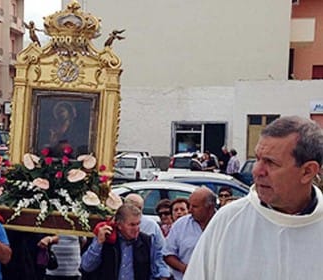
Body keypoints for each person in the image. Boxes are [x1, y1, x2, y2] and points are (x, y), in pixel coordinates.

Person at [185, 116, 323, 279]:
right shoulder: (228, 220)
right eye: (258, 159)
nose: (257, 171)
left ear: (307, 171)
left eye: (271, 162)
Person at [80, 203, 169, 280]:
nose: (136, 228)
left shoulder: (146, 241)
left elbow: (156, 269)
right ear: (119, 225)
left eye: (138, 224)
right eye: (132, 225)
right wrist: (98, 243)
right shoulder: (106, 240)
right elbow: (87, 266)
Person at [162, 187, 216, 280]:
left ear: (209, 208)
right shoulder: (180, 225)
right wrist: (185, 269)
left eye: (195, 206)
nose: (190, 210)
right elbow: (167, 254)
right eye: (189, 206)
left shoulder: (223, 223)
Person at [123, 194, 171, 278]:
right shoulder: (116, 224)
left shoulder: (151, 226)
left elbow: (160, 252)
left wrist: (163, 274)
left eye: (139, 208)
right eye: (132, 208)